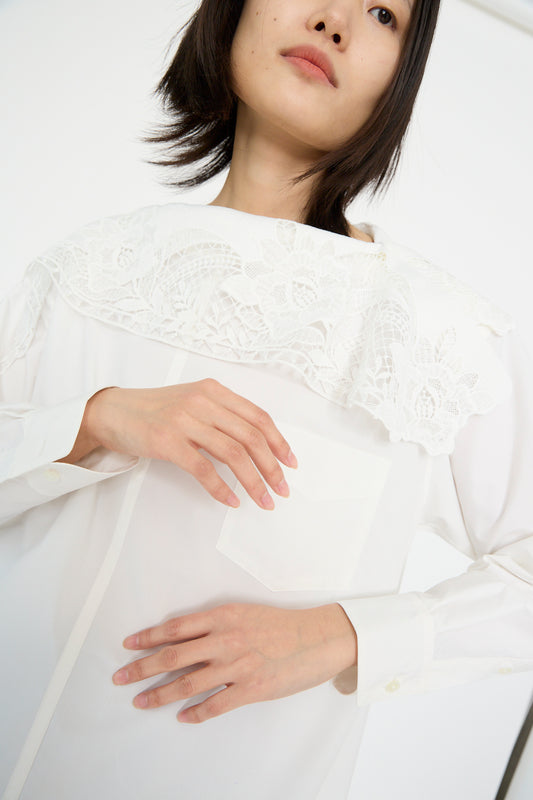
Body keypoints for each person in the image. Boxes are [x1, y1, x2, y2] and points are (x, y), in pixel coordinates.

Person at [1, 0, 532, 798]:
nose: (334, 22)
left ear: (402, 74)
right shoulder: (82, 269)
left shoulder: (435, 332)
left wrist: (344, 637)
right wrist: (95, 419)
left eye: (383, 13)